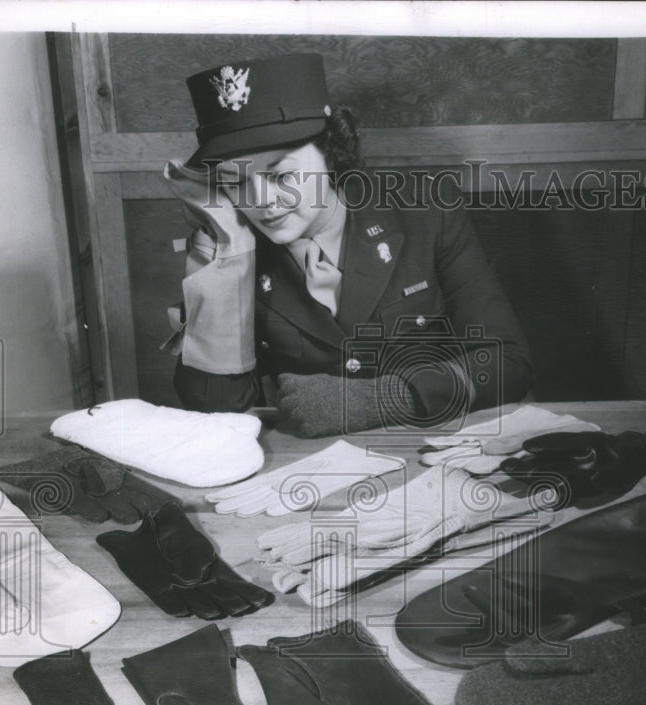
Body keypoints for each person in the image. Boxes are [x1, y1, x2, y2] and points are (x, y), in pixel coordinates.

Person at [170, 53, 532, 437]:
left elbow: (509, 364)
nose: (260, 199)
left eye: (281, 174)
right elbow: (216, 417)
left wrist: (384, 398)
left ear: (332, 153)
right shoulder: (235, 248)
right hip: (306, 472)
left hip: (432, 448)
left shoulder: (426, 213)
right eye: (235, 180)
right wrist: (226, 268)